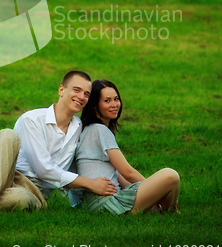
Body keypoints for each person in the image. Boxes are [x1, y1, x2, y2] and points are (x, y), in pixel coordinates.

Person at [0, 70, 118, 214]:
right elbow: (43, 169)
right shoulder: (32, 120)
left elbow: (78, 165)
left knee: (20, 199)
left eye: (86, 94)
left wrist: (78, 202)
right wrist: (90, 184)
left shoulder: (79, 129)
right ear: (61, 90)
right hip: (9, 176)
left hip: (34, 193)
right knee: (7, 135)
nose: (81, 96)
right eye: (76, 90)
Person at [75, 79, 180, 215]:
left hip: (97, 205)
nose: (114, 105)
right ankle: (170, 210)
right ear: (95, 106)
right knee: (170, 175)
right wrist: (155, 189)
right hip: (105, 203)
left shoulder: (90, 130)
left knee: (154, 209)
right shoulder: (99, 130)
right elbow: (127, 172)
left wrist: (154, 191)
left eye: (116, 99)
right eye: (107, 101)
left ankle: (167, 211)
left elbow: (118, 176)